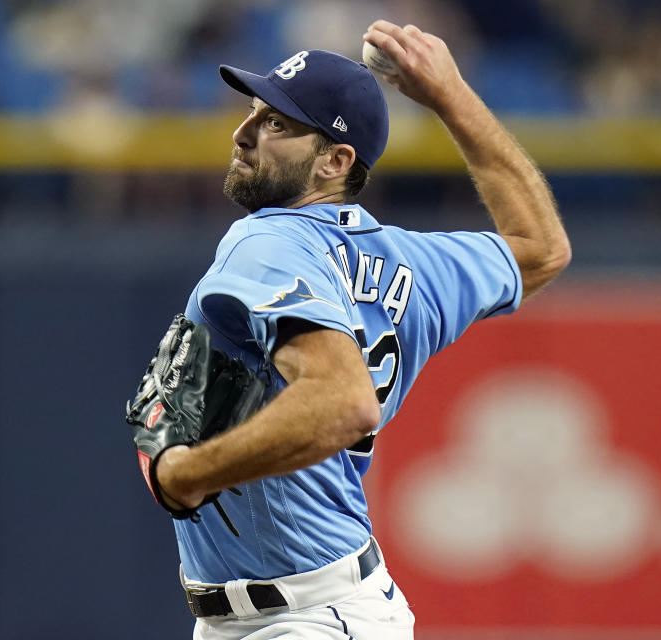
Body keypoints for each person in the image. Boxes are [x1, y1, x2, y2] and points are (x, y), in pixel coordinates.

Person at [150, 19, 571, 639]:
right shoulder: (416, 263)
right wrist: (452, 97)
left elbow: (345, 404)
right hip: (318, 605)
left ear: (335, 161)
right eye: (253, 112)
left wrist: (188, 474)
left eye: (275, 124)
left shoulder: (266, 239)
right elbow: (541, 248)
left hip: (303, 618)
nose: (242, 134)